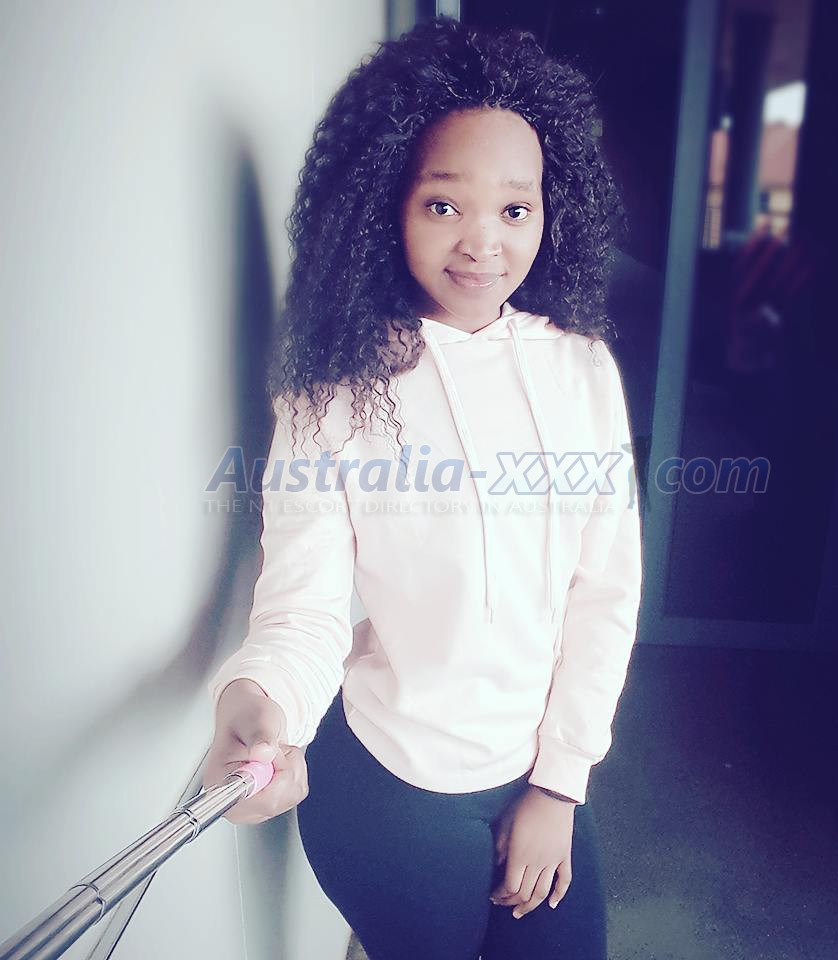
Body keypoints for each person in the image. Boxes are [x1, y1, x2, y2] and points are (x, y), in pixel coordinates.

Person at [201, 16, 643, 960]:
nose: (483, 243)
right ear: (384, 204)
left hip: (533, 771)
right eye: (444, 204)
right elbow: (303, 608)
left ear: (551, 212)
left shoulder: (581, 371)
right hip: (389, 789)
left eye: (515, 210)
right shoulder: (333, 392)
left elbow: (605, 592)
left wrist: (558, 787)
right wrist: (259, 710)